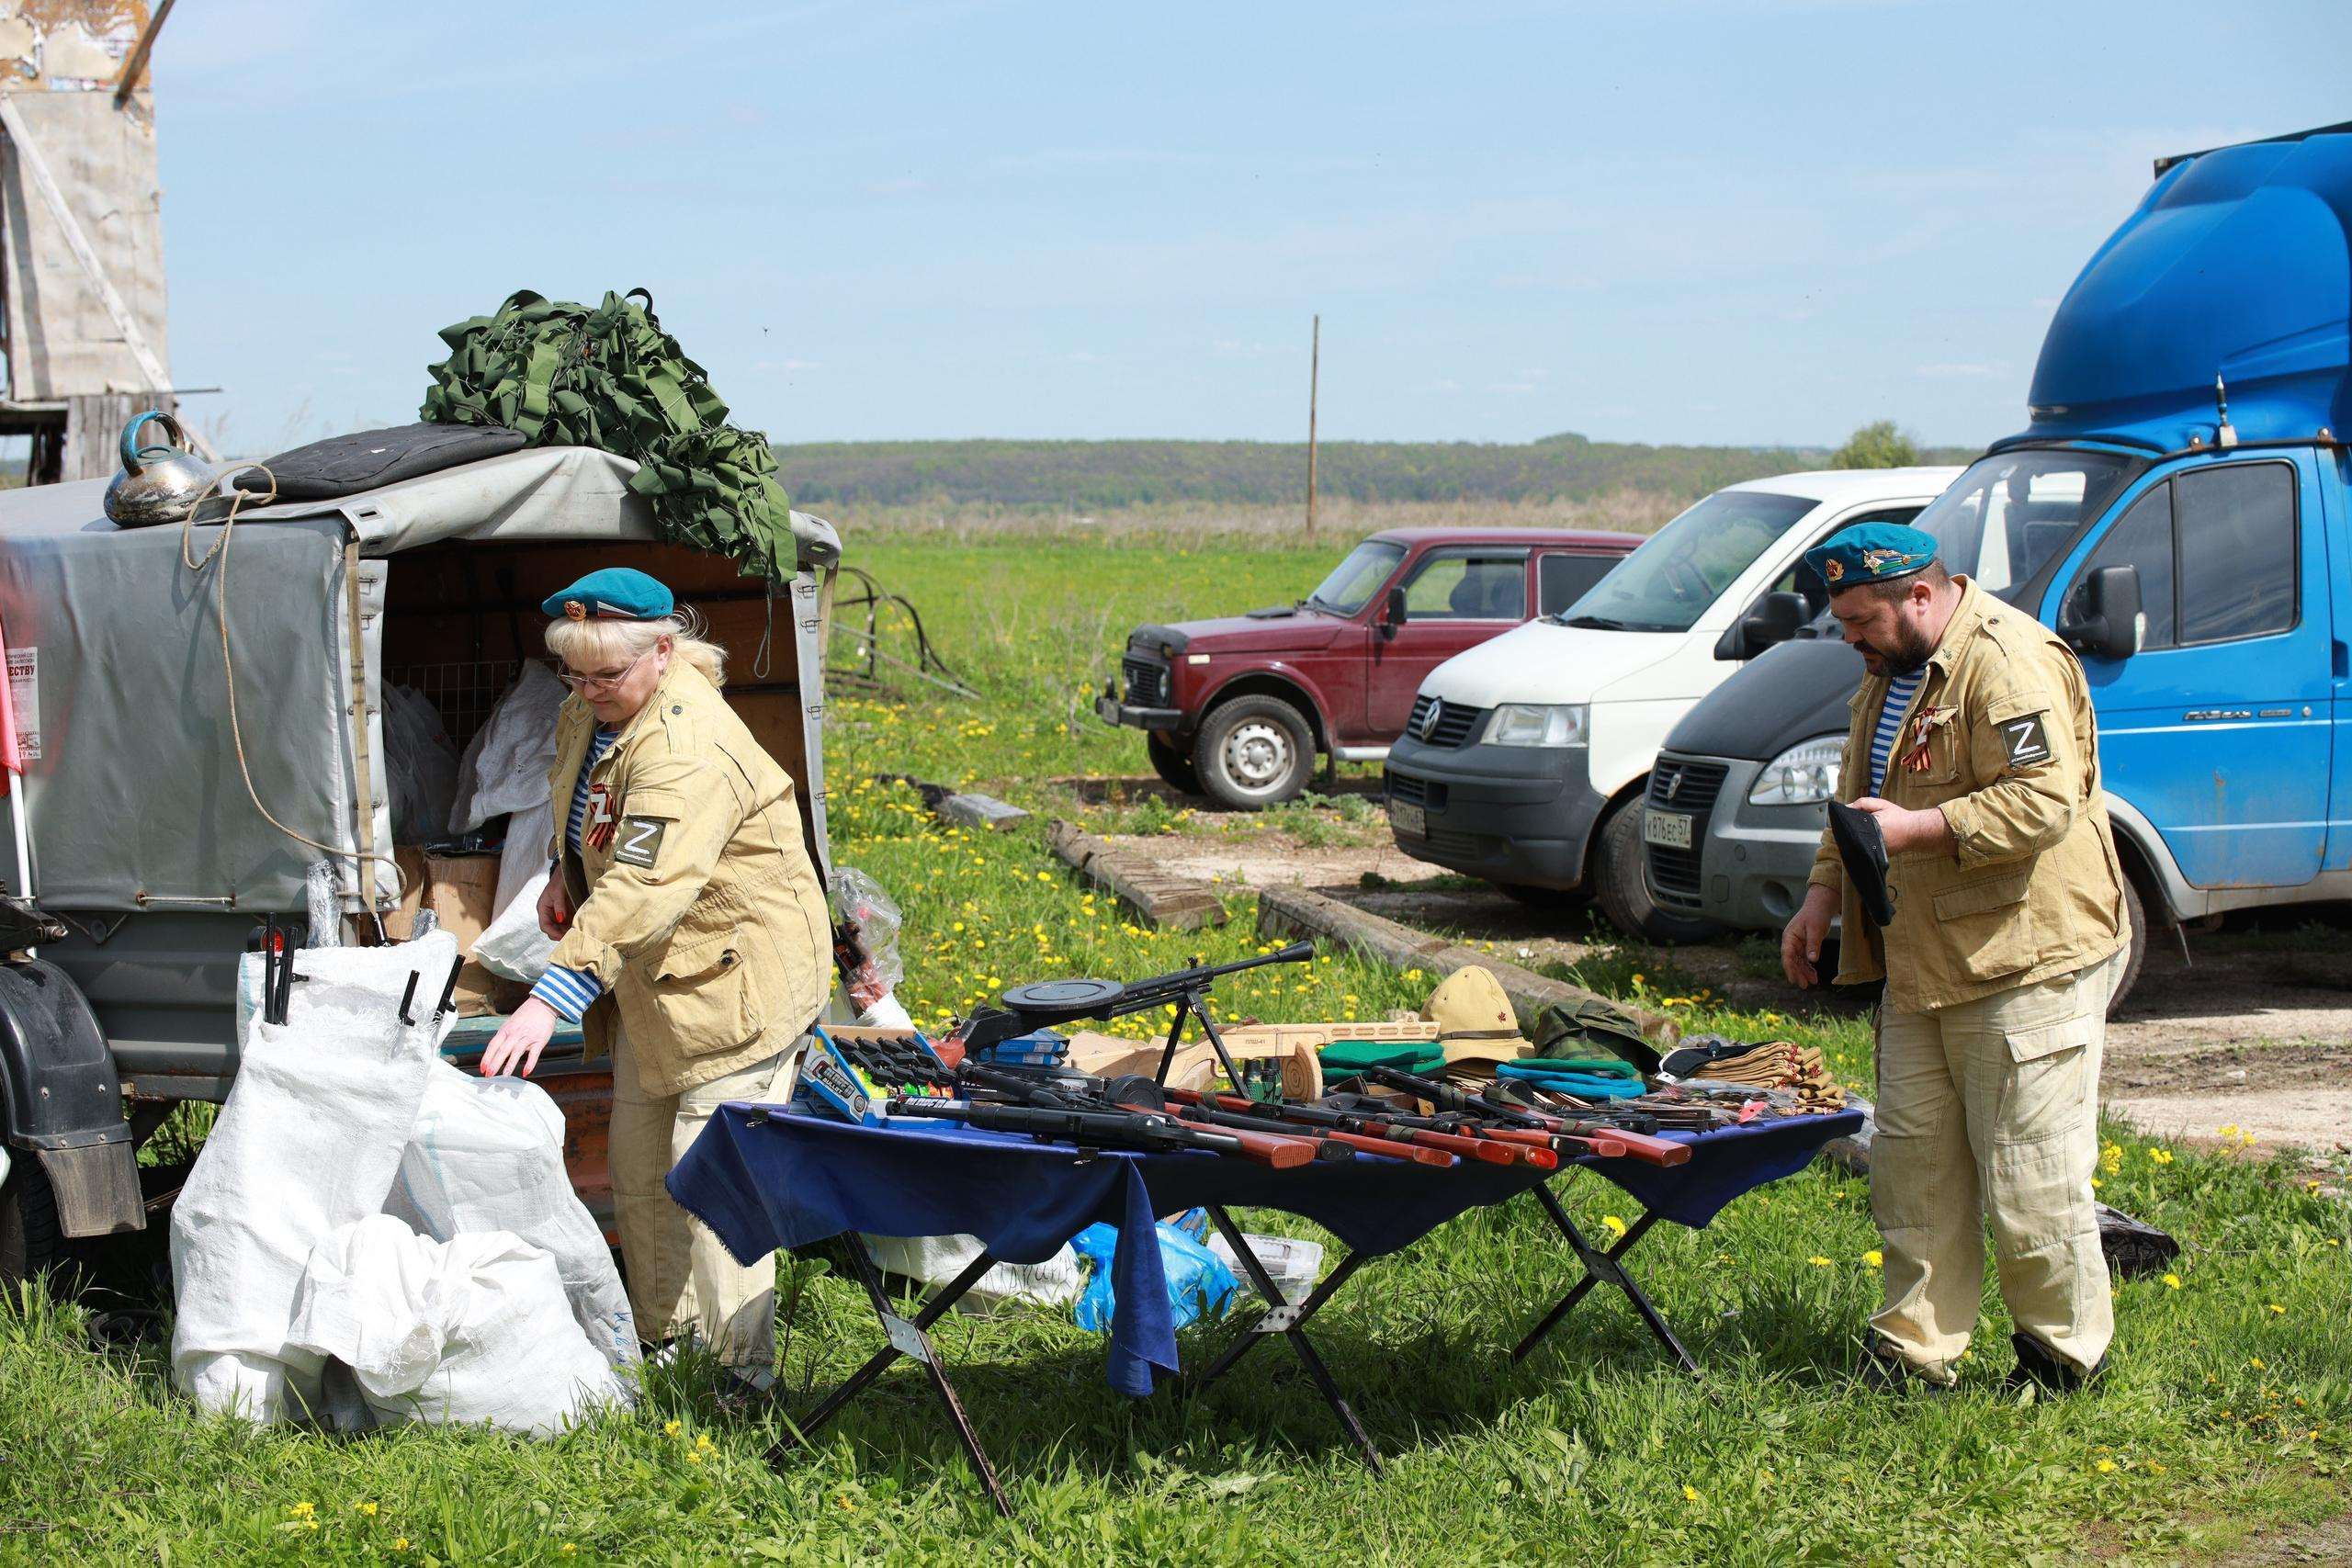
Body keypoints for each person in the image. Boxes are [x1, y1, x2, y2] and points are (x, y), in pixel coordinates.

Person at [1779, 523, 2131, 1394]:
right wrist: (1823, 895)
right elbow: (1860, 801)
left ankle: (2060, 1358)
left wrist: (1920, 830)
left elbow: (2043, 801)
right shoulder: (1889, 669)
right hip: (1925, 963)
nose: (1851, 635)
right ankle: (1915, 1349)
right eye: (1845, 620)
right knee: (1914, 1166)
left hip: (2025, 958)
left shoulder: (2005, 660)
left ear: (1922, 596)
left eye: (1862, 618)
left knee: (2032, 1172)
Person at [479, 567, 832, 1393]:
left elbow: (646, 882)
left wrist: (548, 998)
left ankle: (748, 1375)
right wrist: (567, 874)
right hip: (659, 972)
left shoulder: (686, 746)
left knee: (710, 1169)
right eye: (575, 672)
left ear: (664, 651)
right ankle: (668, 1345)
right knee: (640, 1166)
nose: (589, 689)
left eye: (608, 674)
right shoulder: (594, 709)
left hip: (737, 976)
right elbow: (587, 801)